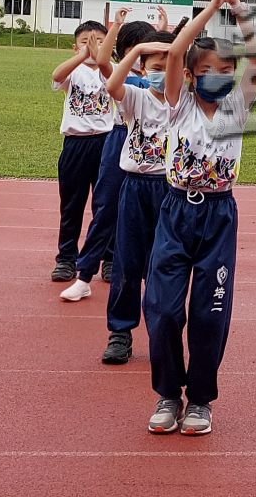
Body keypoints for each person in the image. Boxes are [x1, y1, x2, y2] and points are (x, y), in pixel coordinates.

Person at [145, 0, 256, 436]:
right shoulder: (178, 104)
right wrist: (211, 5)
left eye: (226, 70)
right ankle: (168, 394)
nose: (218, 76)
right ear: (192, 76)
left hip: (218, 217)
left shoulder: (237, 107)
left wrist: (235, 6)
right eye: (207, 69)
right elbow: (174, 50)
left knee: (209, 314)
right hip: (175, 211)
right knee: (166, 310)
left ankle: (200, 401)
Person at [65, 9, 160, 294]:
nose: (141, 56)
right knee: (105, 208)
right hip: (120, 139)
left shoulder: (164, 80)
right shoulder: (122, 79)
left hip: (155, 149)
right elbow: (105, 61)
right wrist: (117, 26)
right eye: (134, 49)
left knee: (153, 217)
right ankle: (84, 276)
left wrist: (165, 38)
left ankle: (150, 277)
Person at [97, 32, 175, 364]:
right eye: (156, 67)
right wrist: (140, 49)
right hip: (134, 187)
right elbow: (112, 84)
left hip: (170, 192)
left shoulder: (183, 103)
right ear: (143, 70)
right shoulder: (135, 98)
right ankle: (121, 333)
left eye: (169, 67)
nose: (162, 73)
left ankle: (163, 332)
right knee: (127, 263)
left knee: (165, 264)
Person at [51, 19, 116, 288]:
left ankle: (109, 260)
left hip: (106, 143)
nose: (92, 46)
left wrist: (101, 56)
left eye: (99, 41)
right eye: (85, 42)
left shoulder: (109, 71)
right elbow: (57, 76)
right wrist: (82, 56)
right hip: (76, 144)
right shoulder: (74, 72)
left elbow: (114, 76)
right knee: (71, 205)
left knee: (107, 206)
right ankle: (66, 258)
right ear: (74, 46)